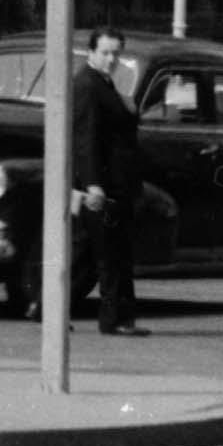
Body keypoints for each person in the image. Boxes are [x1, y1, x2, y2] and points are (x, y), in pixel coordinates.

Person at [67, 24, 144, 337]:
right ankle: (114, 319)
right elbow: (86, 138)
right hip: (104, 185)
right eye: (106, 52)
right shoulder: (88, 85)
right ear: (91, 52)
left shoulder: (102, 82)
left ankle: (46, 307)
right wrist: (92, 183)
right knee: (111, 254)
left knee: (94, 250)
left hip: (114, 182)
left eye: (116, 53)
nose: (112, 58)